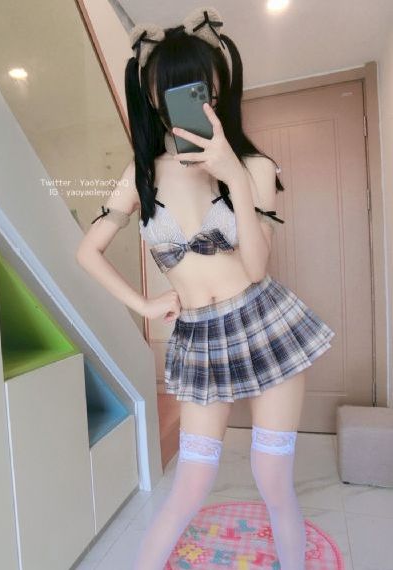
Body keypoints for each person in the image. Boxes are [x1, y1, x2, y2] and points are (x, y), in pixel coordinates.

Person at [75, 6, 335, 570]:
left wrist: (231, 172)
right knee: (190, 483)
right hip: (198, 337)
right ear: (153, 99)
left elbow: (258, 267)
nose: (192, 102)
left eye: (201, 89)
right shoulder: (141, 175)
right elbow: (86, 251)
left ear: (217, 91)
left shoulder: (253, 166)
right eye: (174, 92)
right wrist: (145, 305)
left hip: (263, 322)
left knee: (272, 476)